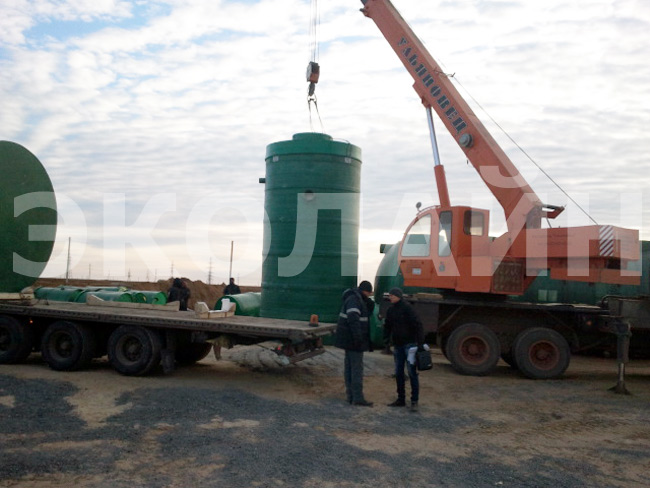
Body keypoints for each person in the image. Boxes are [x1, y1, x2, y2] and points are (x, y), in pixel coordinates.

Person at [334, 280, 374, 407]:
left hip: (349, 340)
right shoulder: (354, 300)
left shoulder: (355, 298)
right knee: (356, 369)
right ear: (366, 291)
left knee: (350, 367)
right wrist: (358, 338)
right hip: (353, 340)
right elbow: (353, 320)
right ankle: (357, 397)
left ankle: (350, 395)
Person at [384, 287, 424, 412]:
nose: (390, 297)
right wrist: (386, 340)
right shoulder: (391, 310)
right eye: (389, 295)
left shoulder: (407, 308)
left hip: (410, 345)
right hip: (398, 346)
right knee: (399, 373)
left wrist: (420, 344)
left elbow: (418, 325)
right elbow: (387, 326)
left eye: (392, 295)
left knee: (412, 373)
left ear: (398, 296)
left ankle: (414, 400)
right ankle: (401, 399)